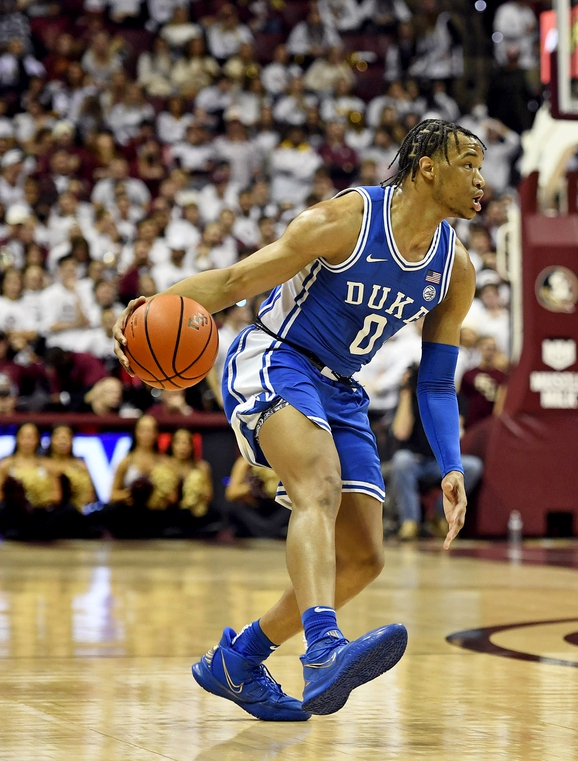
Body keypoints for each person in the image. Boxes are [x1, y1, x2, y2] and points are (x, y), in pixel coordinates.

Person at [113, 119, 484, 720]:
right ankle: (323, 649)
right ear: (427, 167)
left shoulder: (455, 268)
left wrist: (449, 465)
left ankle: (238, 661)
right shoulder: (344, 221)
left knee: (365, 556)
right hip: (277, 357)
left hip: (341, 389)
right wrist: (151, 311)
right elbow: (235, 282)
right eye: (468, 162)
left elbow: (437, 381)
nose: (480, 180)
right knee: (318, 484)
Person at [391, 364, 484, 541]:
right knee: (401, 460)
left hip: (441, 463)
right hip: (416, 462)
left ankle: (440, 515)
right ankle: (410, 522)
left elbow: (455, 433)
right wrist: (406, 392)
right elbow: (400, 432)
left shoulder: (456, 399)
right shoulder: (411, 397)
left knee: (473, 465)